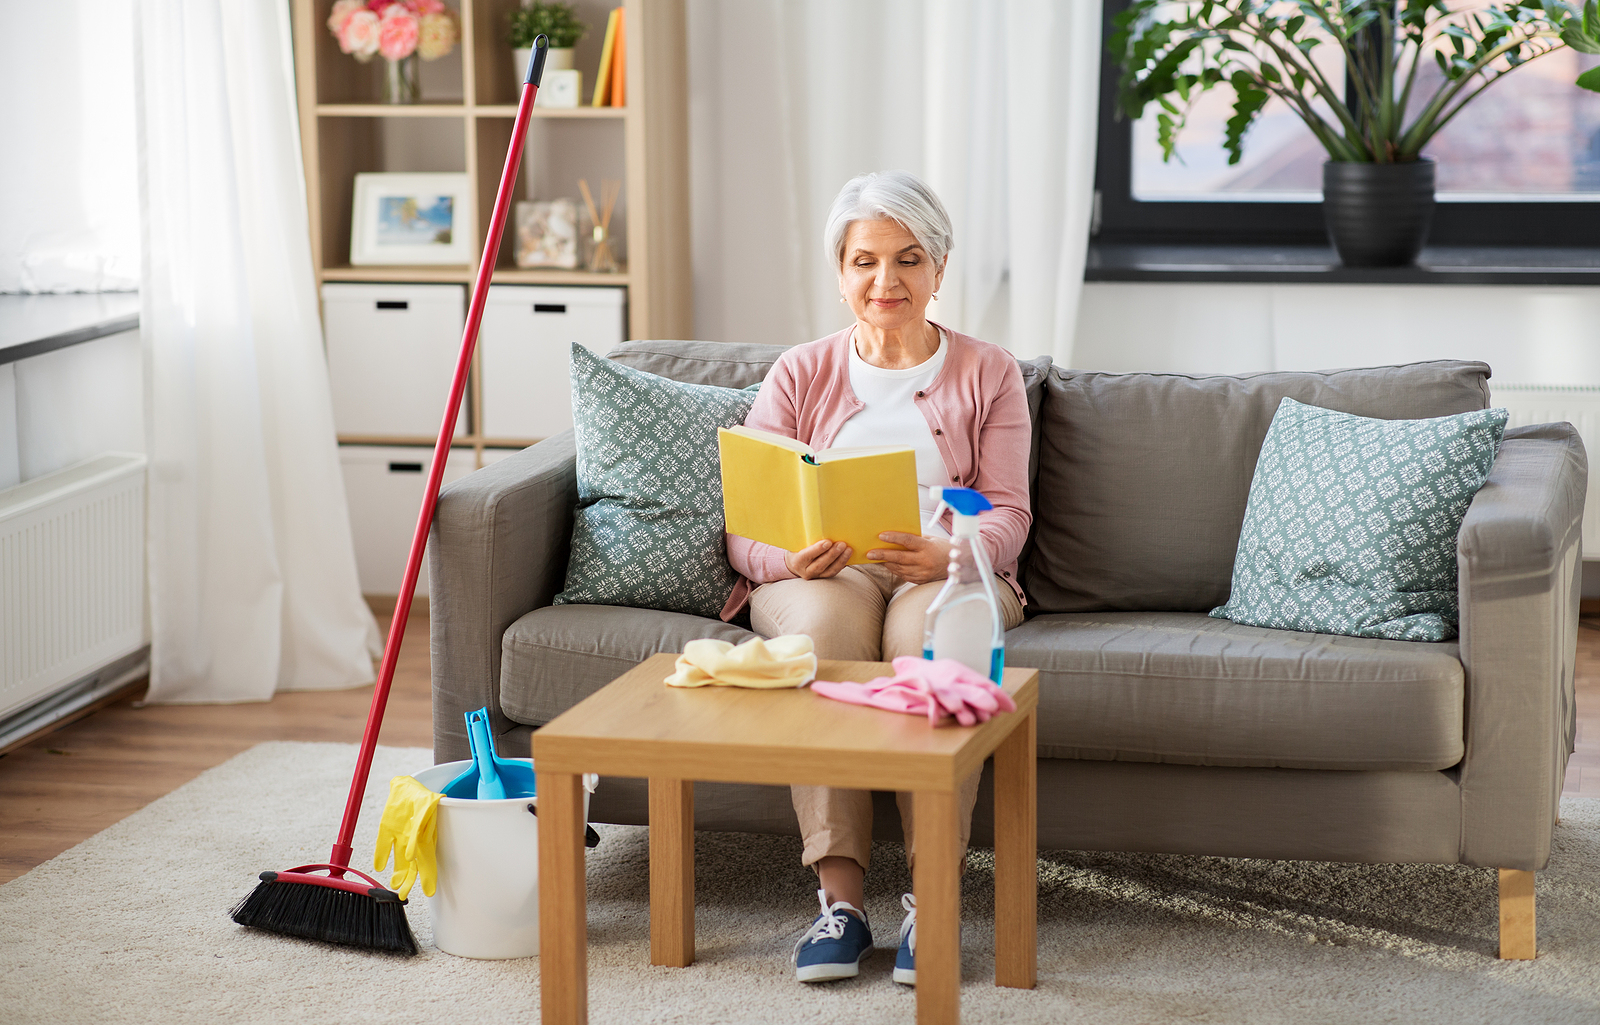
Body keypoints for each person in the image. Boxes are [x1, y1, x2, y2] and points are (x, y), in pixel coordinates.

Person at [721, 170, 1031, 986]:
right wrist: (787, 560)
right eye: (864, 261)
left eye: (908, 259)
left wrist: (956, 554)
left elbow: (1009, 512)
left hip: (943, 566)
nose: (884, 281)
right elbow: (747, 523)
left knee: (931, 639)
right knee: (818, 636)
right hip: (828, 571)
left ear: (939, 268)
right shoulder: (798, 372)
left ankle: (933, 902)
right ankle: (841, 902)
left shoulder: (990, 371)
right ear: (839, 269)